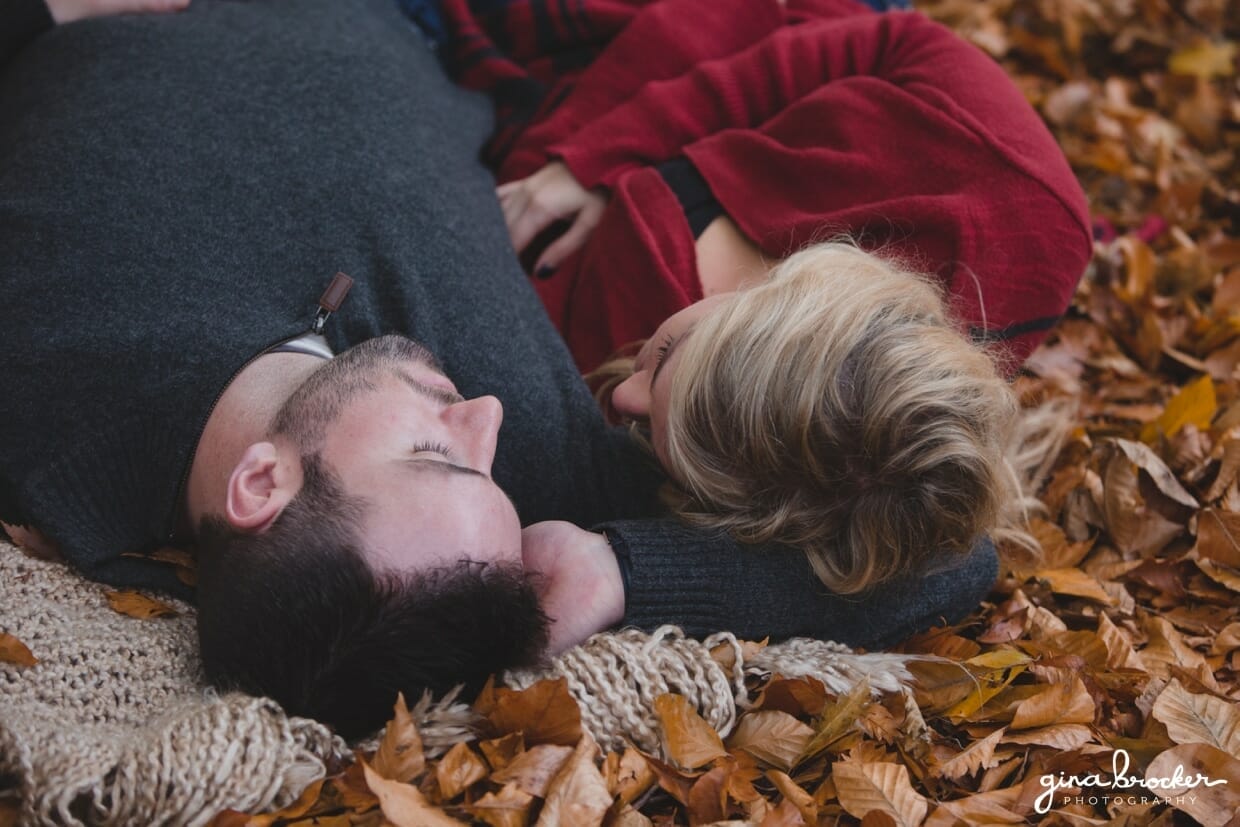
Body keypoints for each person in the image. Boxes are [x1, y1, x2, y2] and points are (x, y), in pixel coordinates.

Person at [1, 0, 1000, 740]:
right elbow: (946, 547)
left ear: (262, 480)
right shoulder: (530, 459)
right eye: (456, 459)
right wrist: (624, 568)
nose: (485, 412)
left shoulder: (36, 383)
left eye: (441, 455)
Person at [432, 0, 1092, 593]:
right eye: (666, 355)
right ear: (775, 304)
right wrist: (586, 157)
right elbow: (882, 40)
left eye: (648, 430)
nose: (622, 399)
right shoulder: (1014, 203)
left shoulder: (813, 476)